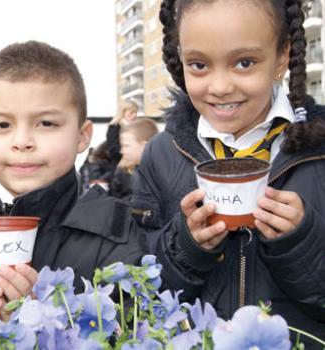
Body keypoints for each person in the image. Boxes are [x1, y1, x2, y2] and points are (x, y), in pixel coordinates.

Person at [0, 41, 146, 346]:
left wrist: (49, 320)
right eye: (2, 125)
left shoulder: (114, 229)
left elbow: (131, 332)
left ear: (82, 136)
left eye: (46, 123)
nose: (22, 141)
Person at [132, 0, 325, 346]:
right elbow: (139, 290)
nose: (219, 86)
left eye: (244, 62)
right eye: (199, 65)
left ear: (282, 56)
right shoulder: (161, 155)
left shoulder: (320, 151)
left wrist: (302, 242)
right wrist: (185, 247)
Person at [110, 118, 158, 200]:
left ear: (144, 146)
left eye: (126, 146)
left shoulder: (163, 175)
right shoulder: (124, 170)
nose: (121, 151)